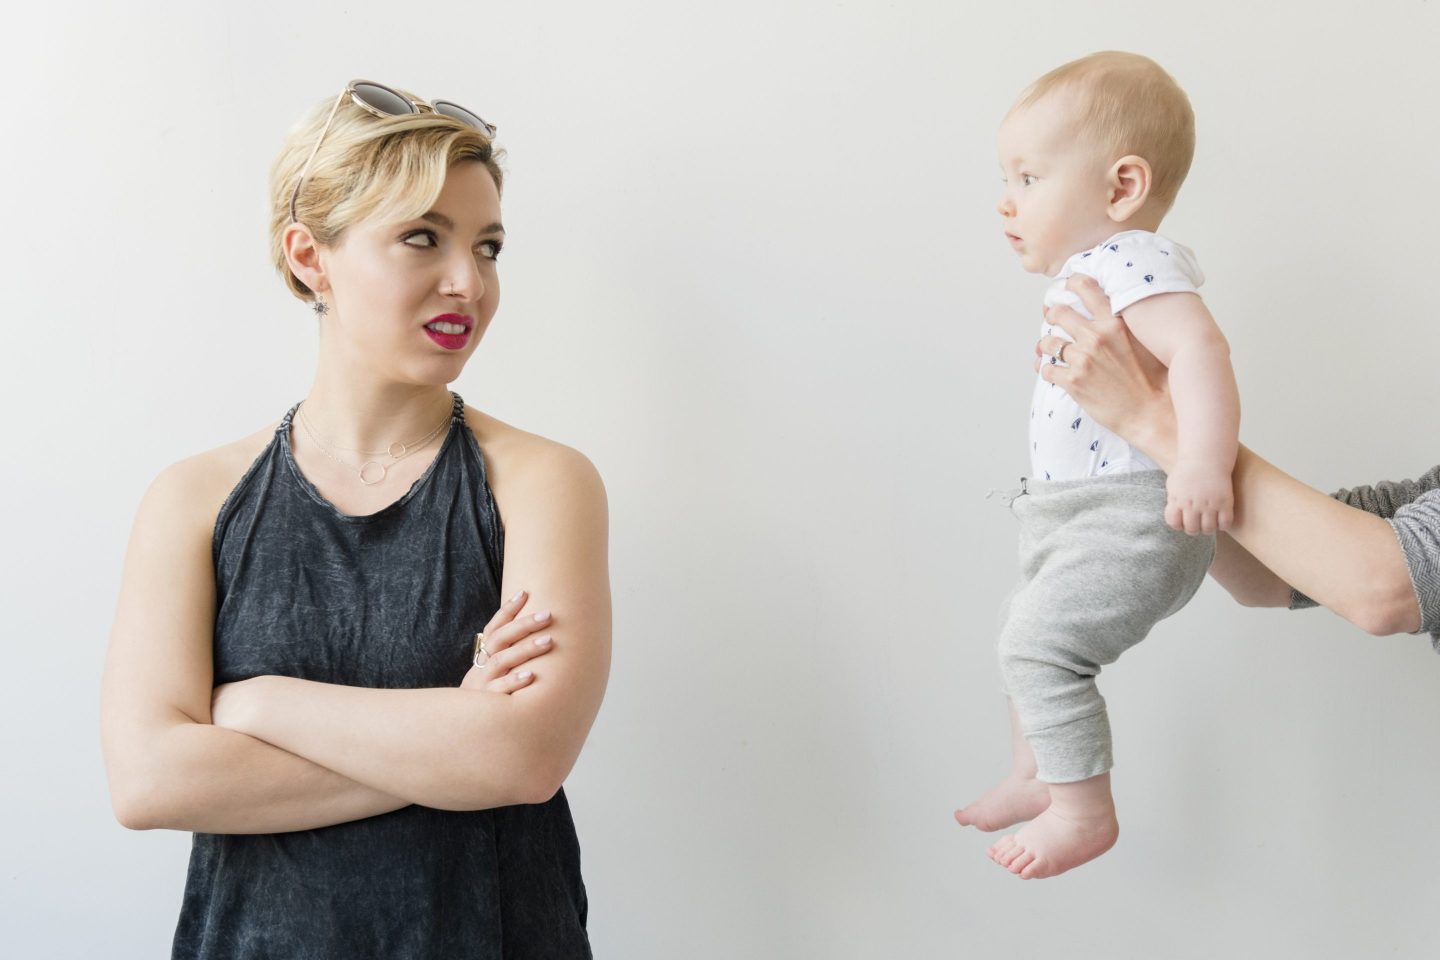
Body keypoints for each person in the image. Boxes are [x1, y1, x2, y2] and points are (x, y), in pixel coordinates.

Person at [99, 80, 610, 958]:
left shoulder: (542, 482)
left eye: (487, 247)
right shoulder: (192, 499)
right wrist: (448, 741)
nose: (469, 282)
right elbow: (149, 781)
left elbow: (521, 760)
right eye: (423, 237)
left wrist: (256, 703)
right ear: (310, 257)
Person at [953, 52, 1241, 880]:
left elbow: (1201, 351)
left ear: (1120, 189)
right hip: (1071, 509)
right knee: (1023, 636)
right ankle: (1036, 773)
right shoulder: (1096, 267)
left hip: (1131, 510)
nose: (1007, 201)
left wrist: (1202, 465)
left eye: (1030, 177)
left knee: (1040, 646)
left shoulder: (1131, 259)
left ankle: (1082, 810)